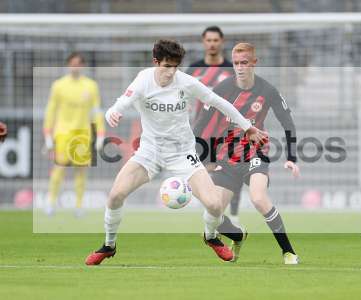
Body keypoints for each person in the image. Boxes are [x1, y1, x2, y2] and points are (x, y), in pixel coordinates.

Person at [85, 39, 267, 265]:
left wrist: (247, 127)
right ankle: (109, 245)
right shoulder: (143, 80)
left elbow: (219, 102)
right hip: (149, 152)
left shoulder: (186, 82)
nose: (171, 72)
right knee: (115, 196)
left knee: (214, 205)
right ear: (155, 62)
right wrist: (112, 112)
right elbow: (122, 102)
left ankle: (211, 237)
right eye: (167, 66)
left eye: (175, 66)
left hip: (182, 153)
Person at [196, 42, 300, 264]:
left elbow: (287, 122)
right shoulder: (222, 89)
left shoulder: (267, 90)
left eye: (245, 63)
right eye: (236, 63)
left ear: (254, 63)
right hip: (227, 157)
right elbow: (201, 123)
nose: (240, 68)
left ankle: (288, 252)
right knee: (212, 213)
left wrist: (292, 157)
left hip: (255, 154)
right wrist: (200, 156)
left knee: (259, 198)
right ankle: (238, 235)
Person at [188, 26, 242, 224]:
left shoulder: (231, 70)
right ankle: (216, 214)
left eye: (215, 40)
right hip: (201, 132)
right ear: (204, 42)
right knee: (201, 173)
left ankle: (234, 216)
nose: (212, 44)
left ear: (222, 42)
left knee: (233, 173)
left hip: (227, 132)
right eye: (208, 40)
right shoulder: (194, 70)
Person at [43, 52, 105, 217]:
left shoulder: (91, 86)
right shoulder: (59, 85)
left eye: (78, 63)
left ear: (82, 66)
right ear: (68, 65)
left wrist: (100, 133)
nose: (75, 66)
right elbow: (51, 110)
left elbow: (97, 111)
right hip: (62, 133)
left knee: (81, 171)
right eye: (73, 63)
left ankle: (79, 206)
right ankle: (50, 203)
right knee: (59, 168)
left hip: (82, 133)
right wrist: (48, 134)